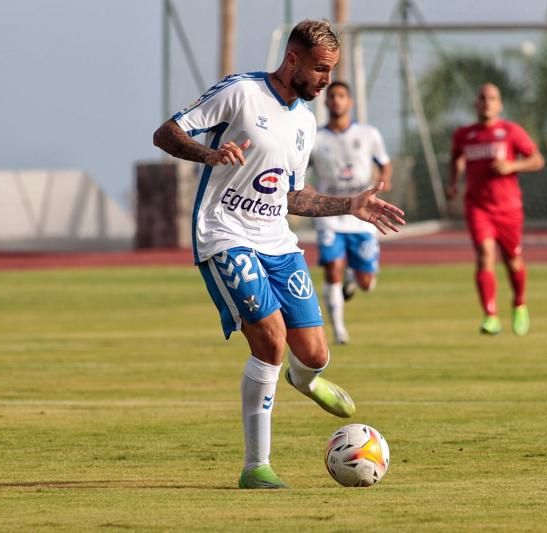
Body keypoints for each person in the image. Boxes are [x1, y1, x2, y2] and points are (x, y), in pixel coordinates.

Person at [152, 19, 405, 490]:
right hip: (224, 232)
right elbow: (165, 133)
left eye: (331, 71)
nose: (327, 81)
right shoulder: (240, 93)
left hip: (278, 242)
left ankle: (305, 381)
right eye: (321, 69)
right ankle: (256, 467)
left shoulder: (305, 122)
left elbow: (293, 197)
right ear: (292, 60)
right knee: (270, 341)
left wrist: (351, 205)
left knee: (313, 354)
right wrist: (209, 155)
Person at [446, 83, 545, 336]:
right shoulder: (465, 134)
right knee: (484, 255)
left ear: (500, 104)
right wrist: (453, 183)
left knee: (513, 261)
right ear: (476, 104)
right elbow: (456, 157)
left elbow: (536, 160)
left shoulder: (510, 131)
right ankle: (490, 315)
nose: (487, 102)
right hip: (478, 206)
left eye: (492, 98)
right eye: (482, 97)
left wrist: (512, 166)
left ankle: (519, 303)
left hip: (508, 208)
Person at [310, 80, 393, 345]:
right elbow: (299, 167)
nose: (336, 100)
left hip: (363, 216)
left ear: (350, 102)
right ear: (325, 102)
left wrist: (384, 181)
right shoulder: (316, 137)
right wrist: (305, 187)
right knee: (332, 268)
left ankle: (353, 277)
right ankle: (338, 330)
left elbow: (385, 163)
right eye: (332, 96)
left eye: (342, 96)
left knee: (366, 282)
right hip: (330, 216)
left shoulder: (369, 134)